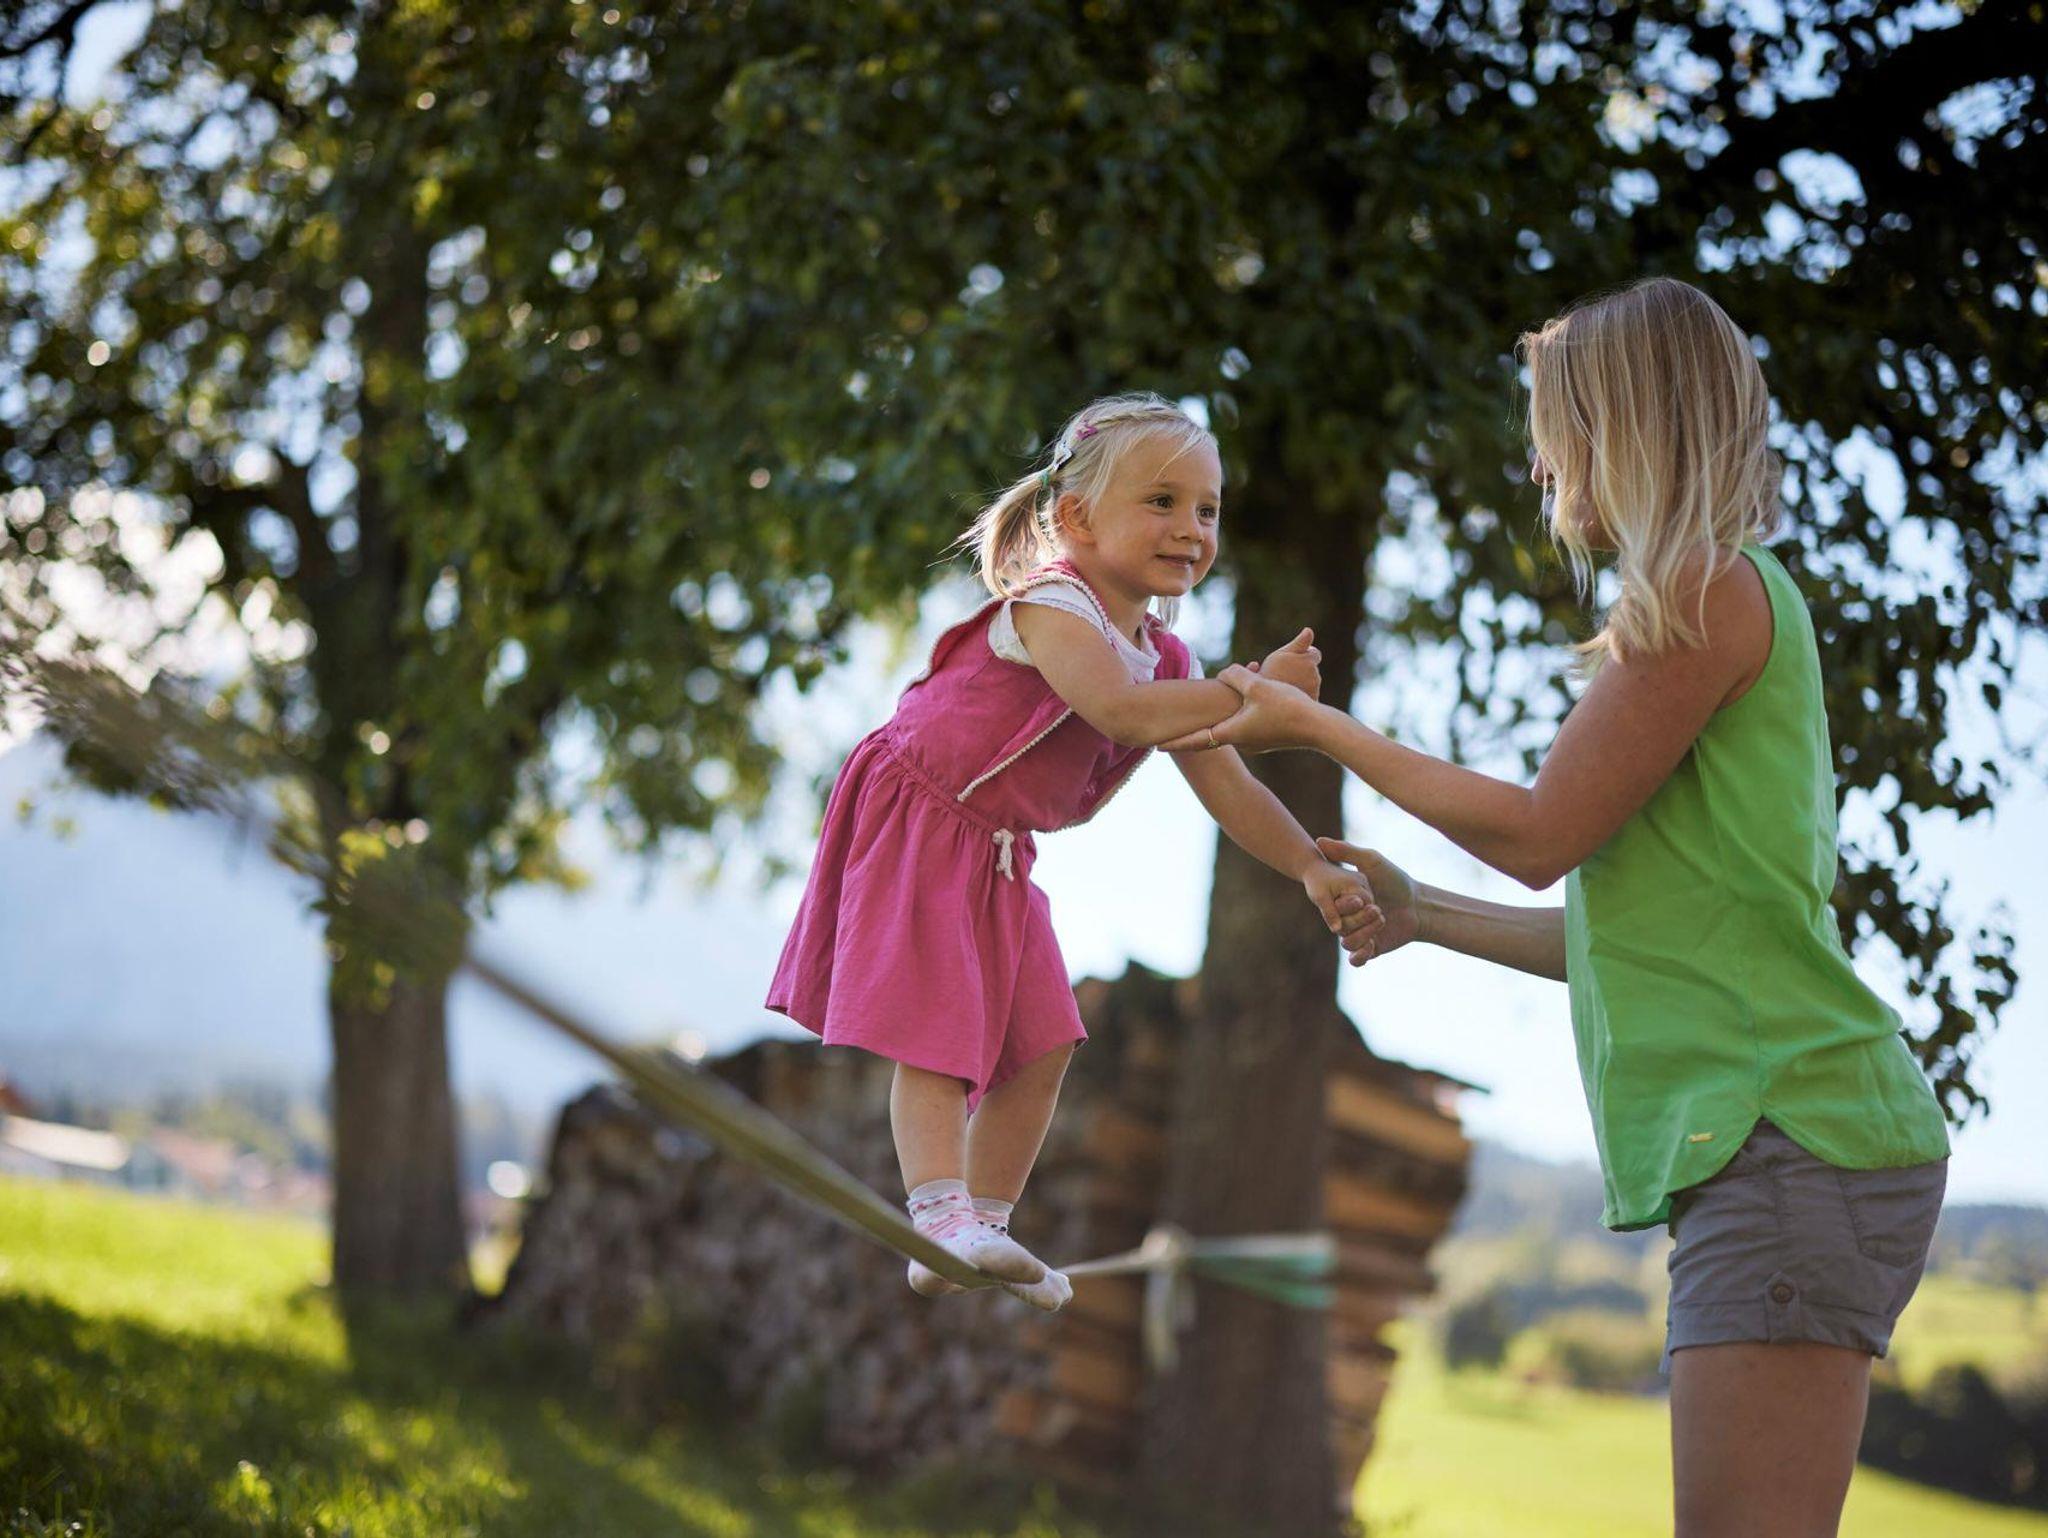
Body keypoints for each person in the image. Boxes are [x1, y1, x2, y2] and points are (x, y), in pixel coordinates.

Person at [1179, 280, 1951, 1536]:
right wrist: (1422, 910)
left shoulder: (1702, 590)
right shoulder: (1706, 598)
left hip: (1788, 1137)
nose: (1537, 465)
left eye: (1554, 430)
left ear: (1624, 425)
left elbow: (1537, 837)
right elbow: (1626, 935)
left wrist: (1315, 727)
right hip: (1787, 1143)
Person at [768, 392, 1379, 1310]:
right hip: (928, 815)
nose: (1191, 528)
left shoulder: (1168, 661)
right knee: (937, 1031)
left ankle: (984, 1226)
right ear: (1078, 519)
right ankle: (937, 1218)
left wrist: (1308, 864)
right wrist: (1254, 694)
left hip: (998, 851)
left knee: (1044, 1040)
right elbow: (1118, 712)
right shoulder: (1055, 606)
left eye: (1208, 509)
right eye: (1162, 502)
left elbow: (1227, 783)